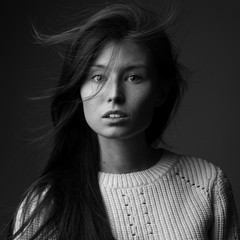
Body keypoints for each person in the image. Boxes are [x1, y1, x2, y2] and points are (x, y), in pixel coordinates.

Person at [6, 2, 239, 240]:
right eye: (98, 77)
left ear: (161, 91)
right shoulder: (46, 203)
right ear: (79, 89)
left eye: (133, 77)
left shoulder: (206, 184)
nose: (114, 94)